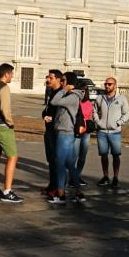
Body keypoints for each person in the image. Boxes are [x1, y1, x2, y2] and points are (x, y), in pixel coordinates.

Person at [0, 63, 23, 203]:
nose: (12, 76)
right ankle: (7, 191)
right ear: (6, 74)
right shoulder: (4, 87)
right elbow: (5, 108)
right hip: (2, 125)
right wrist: (10, 122)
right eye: (12, 73)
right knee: (12, 157)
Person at [49, 72, 82, 204]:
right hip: (64, 132)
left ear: (70, 82)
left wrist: (64, 90)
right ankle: (79, 192)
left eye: (64, 80)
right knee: (69, 164)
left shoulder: (72, 96)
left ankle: (61, 194)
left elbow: (54, 101)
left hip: (65, 133)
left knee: (60, 164)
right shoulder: (69, 95)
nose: (61, 83)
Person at [95, 76, 129, 189]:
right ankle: (105, 177)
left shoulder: (122, 99)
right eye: (106, 84)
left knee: (116, 155)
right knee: (103, 155)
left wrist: (119, 123)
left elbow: (126, 114)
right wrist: (98, 122)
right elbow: (94, 110)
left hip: (115, 132)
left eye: (109, 84)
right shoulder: (100, 98)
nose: (107, 86)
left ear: (115, 86)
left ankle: (115, 177)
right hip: (102, 132)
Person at [41, 69, 63, 197]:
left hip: (56, 131)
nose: (48, 80)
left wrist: (52, 118)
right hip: (48, 129)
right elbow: (47, 109)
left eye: (51, 78)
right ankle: (52, 184)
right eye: (47, 77)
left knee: (56, 160)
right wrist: (44, 115)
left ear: (58, 80)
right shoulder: (51, 92)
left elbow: (61, 112)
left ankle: (58, 187)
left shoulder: (61, 93)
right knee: (50, 159)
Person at [74, 82, 96, 188]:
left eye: (84, 91)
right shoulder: (74, 101)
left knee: (82, 156)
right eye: (81, 91)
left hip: (86, 132)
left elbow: (91, 115)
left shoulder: (89, 102)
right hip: (77, 131)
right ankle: (73, 177)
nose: (82, 93)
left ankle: (77, 175)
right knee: (74, 155)